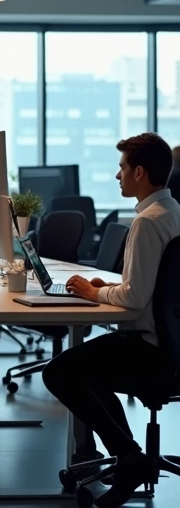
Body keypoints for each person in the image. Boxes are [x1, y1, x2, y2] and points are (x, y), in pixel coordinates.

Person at [43, 133, 180, 508]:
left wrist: (92, 293)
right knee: (87, 369)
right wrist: (107, 286)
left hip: (148, 349)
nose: (117, 176)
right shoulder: (173, 213)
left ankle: (131, 458)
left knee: (58, 373)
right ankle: (128, 456)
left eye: (122, 168)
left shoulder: (147, 222)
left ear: (139, 172)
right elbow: (151, 286)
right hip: (171, 344)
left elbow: (135, 301)